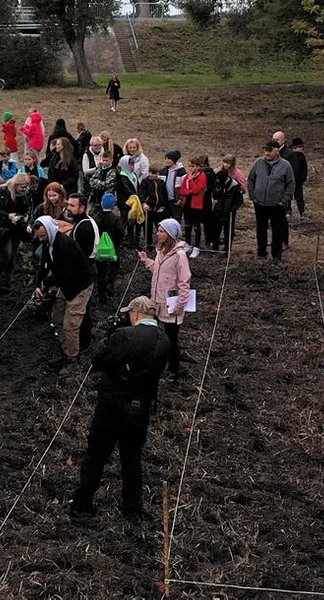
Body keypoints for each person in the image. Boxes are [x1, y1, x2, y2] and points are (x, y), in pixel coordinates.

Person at [67, 296, 169, 522]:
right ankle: (132, 507)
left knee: (96, 455)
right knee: (131, 456)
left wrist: (109, 336)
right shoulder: (163, 340)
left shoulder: (125, 336)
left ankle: (82, 506)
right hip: (140, 408)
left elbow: (99, 361)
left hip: (112, 406)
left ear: (135, 313)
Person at [32, 215, 95, 371]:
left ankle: (72, 359)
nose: (40, 239)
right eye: (38, 236)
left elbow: (65, 272)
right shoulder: (48, 243)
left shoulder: (65, 245)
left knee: (70, 324)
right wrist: (38, 285)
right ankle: (65, 348)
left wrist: (46, 283)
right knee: (57, 318)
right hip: (66, 286)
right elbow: (44, 266)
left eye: (42, 235)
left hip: (80, 286)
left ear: (50, 231)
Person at [139, 219, 191, 376]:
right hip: (157, 300)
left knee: (171, 339)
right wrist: (147, 261)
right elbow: (159, 270)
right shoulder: (161, 251)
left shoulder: (179, 256)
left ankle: (173, 370)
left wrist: (180, 305)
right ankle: (158, 364)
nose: (157, 233)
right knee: (157, 336)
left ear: (169, 234)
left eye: (161, 231)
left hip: (171, 303)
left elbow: (184, 282)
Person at [247, 140, 295, 262]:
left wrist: (283, 200)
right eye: (265, 150)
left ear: (277, 151)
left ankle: (276, 255)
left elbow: (290, 185)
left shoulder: (286, 165)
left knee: (277, 231)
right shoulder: (258, 163)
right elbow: (251, 179)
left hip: (276, 205)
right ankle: (261, 252)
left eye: (270, 150)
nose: (266, 153)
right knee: (261, 229)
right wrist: (253, 196)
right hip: (260, 204)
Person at [0, 173, 32, 293]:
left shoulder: (25, 194)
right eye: (22, 187)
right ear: (15, 185)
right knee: (6, 254)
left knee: (13, 254)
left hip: (17, 227)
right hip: (2, 227)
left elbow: (28, 207)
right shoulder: (2, 192)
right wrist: (7, 215)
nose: (24, 190)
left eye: (25, 187)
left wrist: (25, 217)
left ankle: (8, 280)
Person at [180, 157, 209, 258]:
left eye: (193, 166)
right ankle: (187, 243)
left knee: (196, 226)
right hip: (187, 203)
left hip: (196, 205)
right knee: (187, 225)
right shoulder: (187, 176)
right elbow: (183, 190)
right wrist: (189, 191)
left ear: (198, 167)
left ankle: (197, 246)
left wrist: (191, 181)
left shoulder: (202, 176)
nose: (191, 168)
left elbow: (198, 190)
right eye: (189, 166)